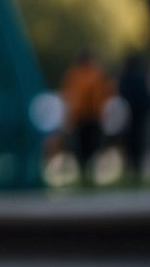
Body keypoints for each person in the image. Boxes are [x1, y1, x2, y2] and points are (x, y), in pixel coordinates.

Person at [60, 49, 113, 186]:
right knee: (82, 146)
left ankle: (88, 171)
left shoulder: (95, 74)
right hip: (82, 116)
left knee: (92, 144)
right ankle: (84, 172)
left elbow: (105, 94)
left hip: (92, 116)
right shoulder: (78, 75)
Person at [118, 53, 149, 183]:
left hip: (127, 113)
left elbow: (121, 93)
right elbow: (145, 95)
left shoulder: (124, 76)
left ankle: (130, 167)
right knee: (139, 140)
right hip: (140, 113)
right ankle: (137, 168)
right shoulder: (141, 76)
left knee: (129, 141)